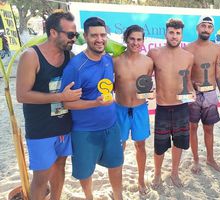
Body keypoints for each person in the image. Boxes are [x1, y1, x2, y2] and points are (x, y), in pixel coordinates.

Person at [16, 11, 81, 200]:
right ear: (53, 32)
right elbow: (22, 95)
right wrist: (61, 96)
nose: (74, 39)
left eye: (75, 35)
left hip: (65, 125)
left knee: (60, 167)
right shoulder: (31, 56)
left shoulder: (71, 56)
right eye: (70, 35)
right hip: (41, 129)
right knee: (41, 176)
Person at [60, 17, 123, 199]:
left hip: (111, 126)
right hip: (84, 131)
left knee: (116, 164)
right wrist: (95, 103)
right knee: (85, 171)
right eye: (94, 35)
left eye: (103, 35)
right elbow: (66, 103)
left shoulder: (108, 60)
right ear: (85, 37)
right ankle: (89, 196)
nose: (99, 39)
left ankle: (118, 196)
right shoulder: (76, 67)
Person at [147, 18, 194, 188]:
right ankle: (157, 174)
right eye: (172, 33)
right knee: (159, 146)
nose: (175, 36)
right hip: (163, 107)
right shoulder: (154, 53)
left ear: (182, 34)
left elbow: (187, 80)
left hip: (181, 106)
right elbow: (145, 78)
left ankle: (174, 172)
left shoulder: (189, 56)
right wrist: (148, 91)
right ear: (165, 33)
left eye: (178, 33)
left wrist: (192, 91)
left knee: (179, 142)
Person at [114, 25, 153, 195]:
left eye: (139, 39)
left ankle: (140, 180)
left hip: (139, 110)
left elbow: (148, 85)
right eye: (132, 39)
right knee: (119, 147)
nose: (135, 43)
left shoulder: (148, 62)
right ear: (126, 39)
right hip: (120, 109)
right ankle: (118, 181)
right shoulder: (115, 60)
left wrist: (151, 94)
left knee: (141, 146)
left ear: (143, 41)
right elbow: (110, 86)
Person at [184, 15, 220, 173]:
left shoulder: (217, 49)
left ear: (212, 29)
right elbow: (185, 74)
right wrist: (190, 87)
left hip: (210, 95)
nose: (206, 29)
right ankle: (195, 160)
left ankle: (210, 158)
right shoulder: (188, 48)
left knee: (209, 129)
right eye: (203, 26)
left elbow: (218, 74)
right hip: (193, 95)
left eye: (209, 26)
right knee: (192, 127)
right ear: (197, 28)